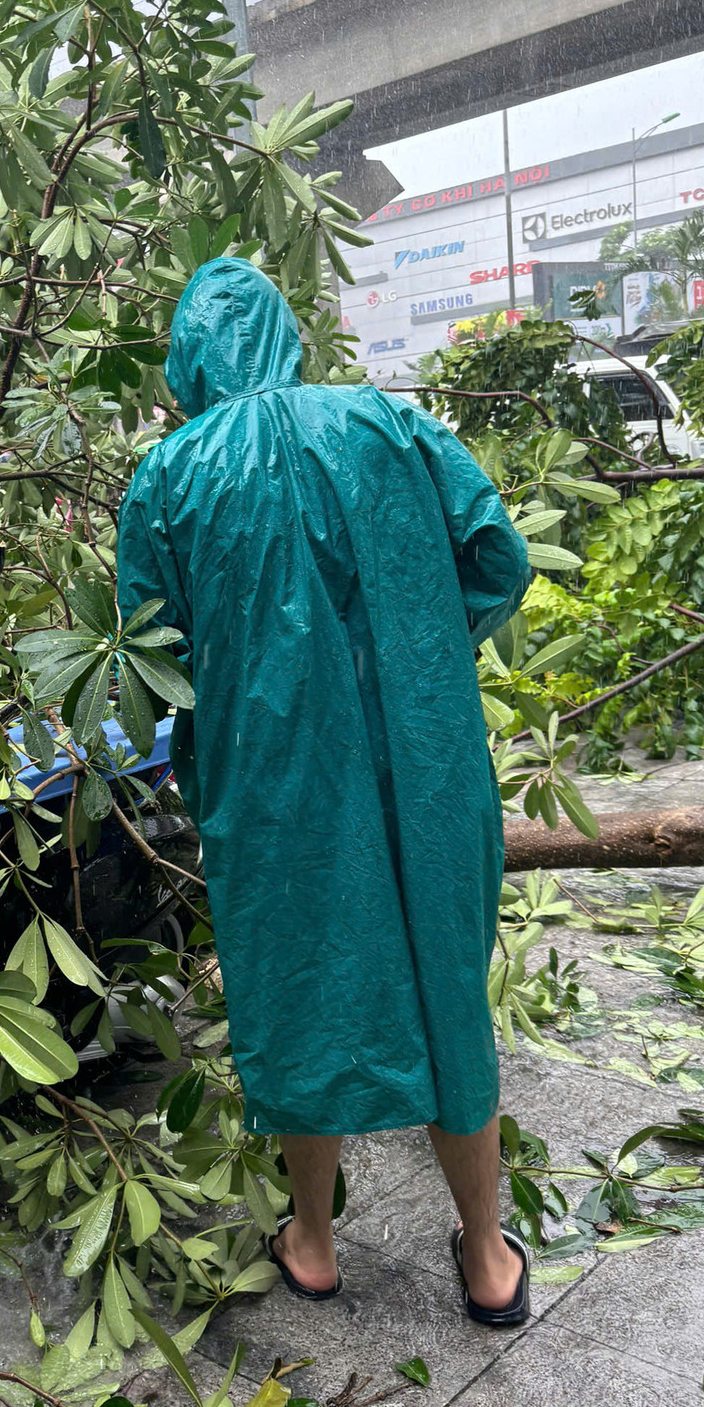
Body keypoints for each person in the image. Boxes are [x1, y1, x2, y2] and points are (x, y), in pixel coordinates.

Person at [116, 258, 534, 1327]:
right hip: (428, 762)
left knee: (302, 982)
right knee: (446, 980)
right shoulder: (390, 424)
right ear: (285, 333)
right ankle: (486, 1258)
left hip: (273, 781)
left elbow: (146, 660)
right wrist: (424, 656)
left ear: (189, 360)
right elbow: (497, 556)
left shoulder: (169, 476)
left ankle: (311, 1239)